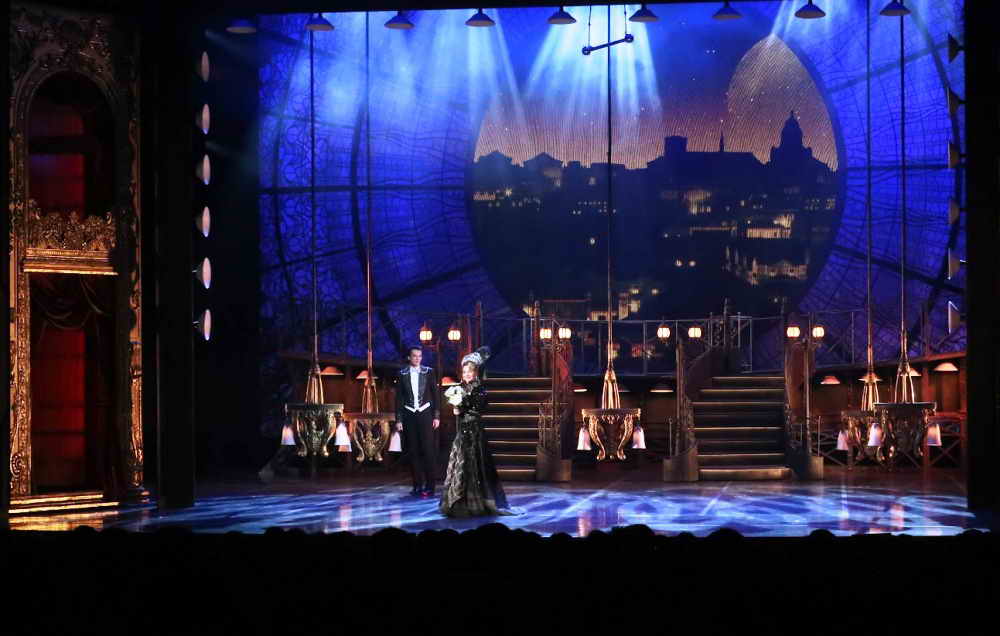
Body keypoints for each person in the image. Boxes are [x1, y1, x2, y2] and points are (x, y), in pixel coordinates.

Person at [439, 347, 512, 517]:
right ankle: (459, 501)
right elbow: (459, 410)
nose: (467, 374)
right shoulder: (460, 388)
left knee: (475, 465)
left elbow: (479, 408)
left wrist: (462, 405)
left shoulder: (480, 389)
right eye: (464, 372)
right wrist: (456, 408)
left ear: (475, 373)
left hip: (474, 431)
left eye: (470, 371)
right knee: (460, 464)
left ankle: (477, 502)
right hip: (462, 431)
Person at [395, 346, 440, 498]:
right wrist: (399, 419)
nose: (417, 358)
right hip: (409, 415)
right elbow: (399, 399)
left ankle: (430, 486)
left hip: (425, 414)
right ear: (409, 357)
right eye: (414, 356)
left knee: (428, 451)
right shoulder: (402, 374)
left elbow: (436, 395)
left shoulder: (429, 372)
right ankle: (417, 485)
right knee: (413, 452)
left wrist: (436, 416)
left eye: (420, 356)